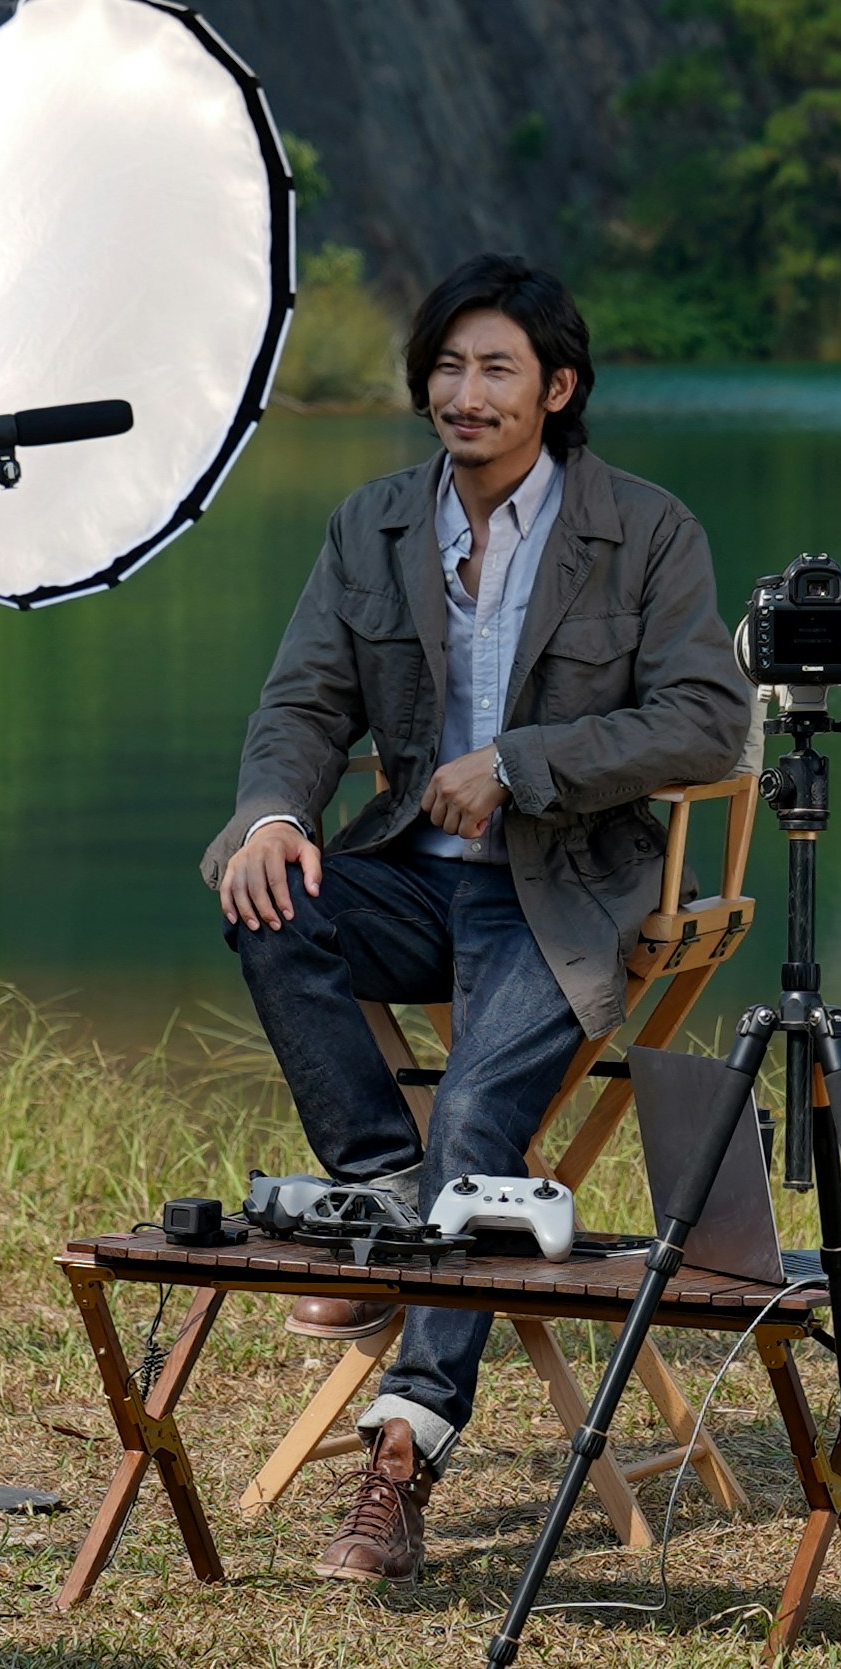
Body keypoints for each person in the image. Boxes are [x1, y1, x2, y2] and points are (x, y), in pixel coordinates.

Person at [210, 257, 753, 1582]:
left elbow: (704, 717)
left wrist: (521, 763)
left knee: (475, 1127)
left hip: (563, 891)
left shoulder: (648, 530)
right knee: (269, 899)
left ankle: (402, 1458)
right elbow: (301, 704)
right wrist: (274, 813)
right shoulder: (374, 525)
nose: (465, 392)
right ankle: (382, 1196)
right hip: (408, 869)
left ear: (556, 389)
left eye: (496, 368)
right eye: (447, 368)